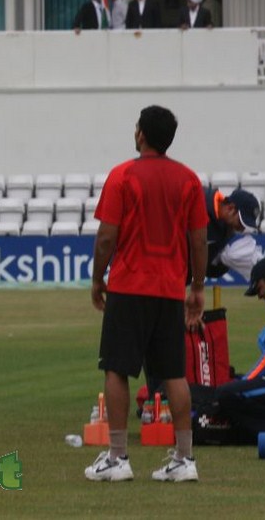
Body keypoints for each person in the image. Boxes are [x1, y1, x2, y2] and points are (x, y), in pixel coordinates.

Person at [86, 105, 208, 483]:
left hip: (129, 284)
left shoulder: (122, 175)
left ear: (141, 134)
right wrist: (198, 286)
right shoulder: (188, 180)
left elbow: (107, 235)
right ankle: (185, 459)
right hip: (170, 288)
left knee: (117, 368)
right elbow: (199, 239)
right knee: (173, 373)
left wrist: (97, 278)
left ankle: (118, 457)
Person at [192, 258, 265, 440]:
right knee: (235, 386)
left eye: (259, 289)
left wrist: (245, 381)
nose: (259, 296)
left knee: (227, 393)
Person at [199, 187, 262, 280]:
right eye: (241, 222)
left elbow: (206, 268)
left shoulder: (226, 230)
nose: (242, 229)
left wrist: (223, 262)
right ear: (231, 208)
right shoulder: (198, 200)